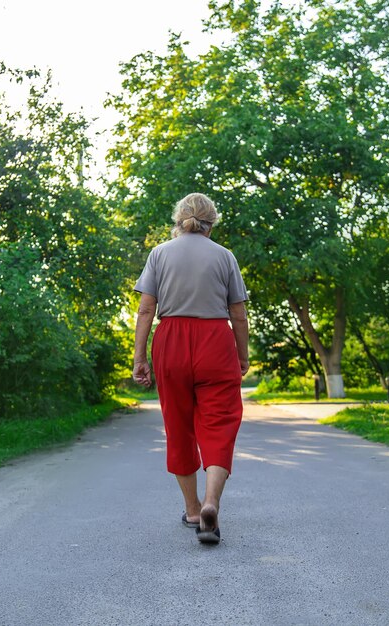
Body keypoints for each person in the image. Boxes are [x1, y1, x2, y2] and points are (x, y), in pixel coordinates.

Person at [132, 193, 249, 545]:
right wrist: (242, 356)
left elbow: (145, 311)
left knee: (179, 426)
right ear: (211, 222)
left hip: (171, 341)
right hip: (215, 341)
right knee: (219, 424)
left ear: (178, 219)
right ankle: (212, 504)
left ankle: (194, 509)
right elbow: (239, 314)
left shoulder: (159, 253)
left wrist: (140, 358)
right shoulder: (225, 256)